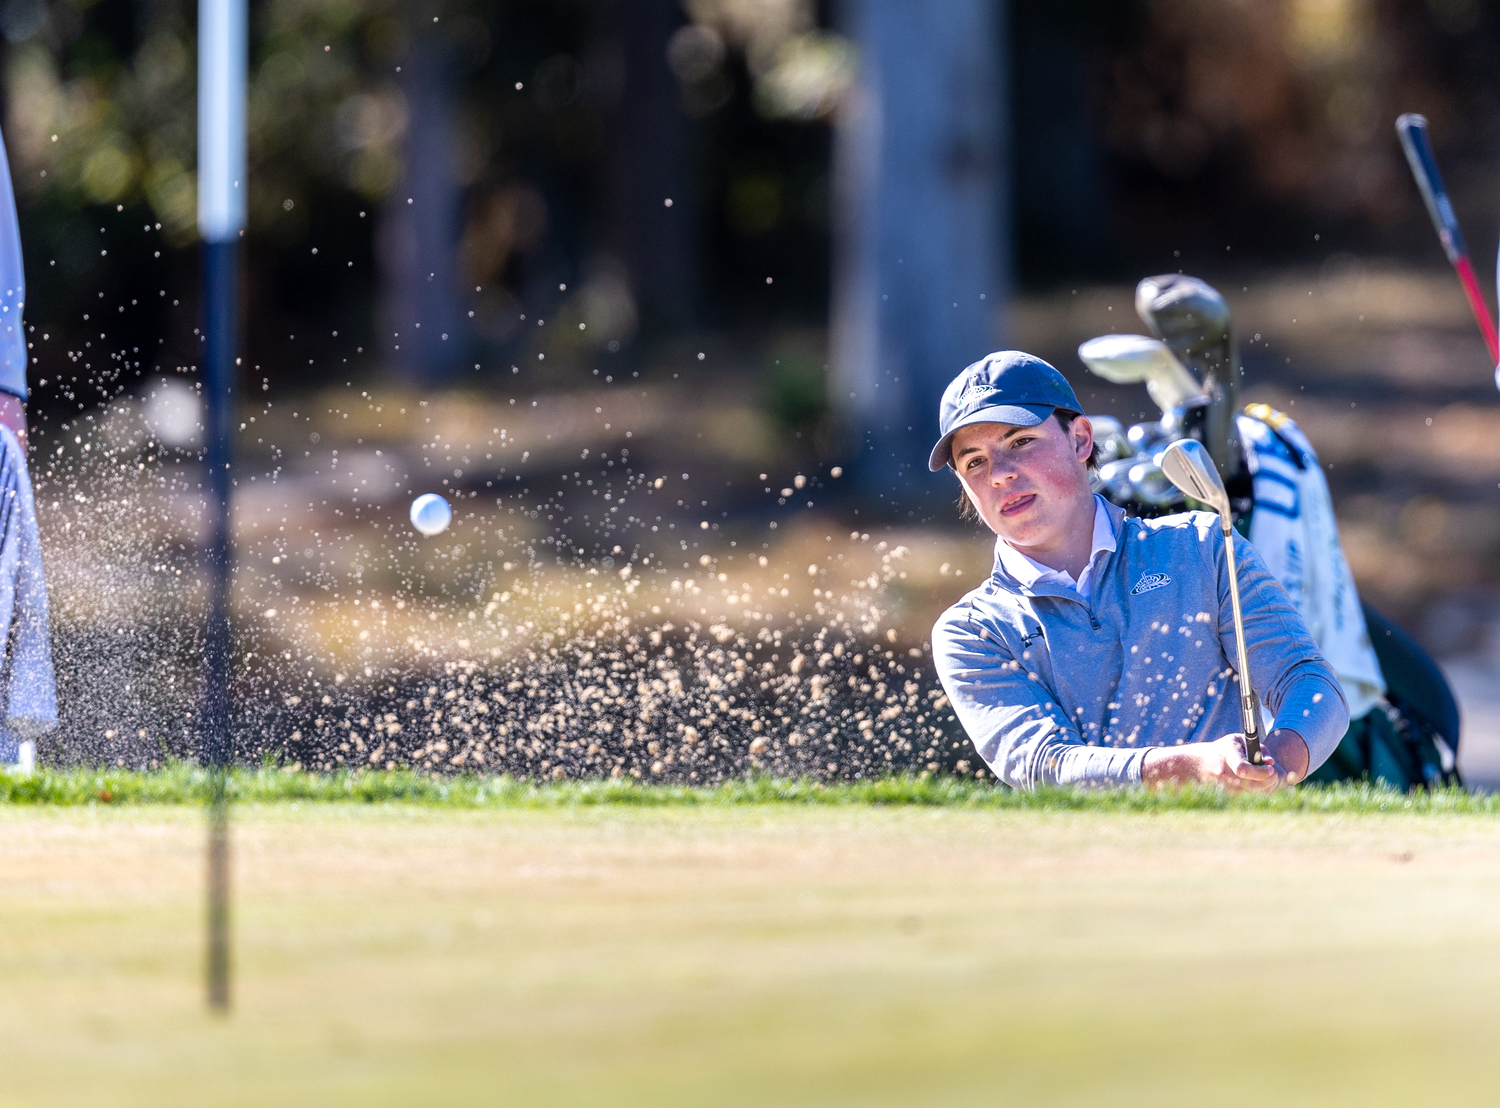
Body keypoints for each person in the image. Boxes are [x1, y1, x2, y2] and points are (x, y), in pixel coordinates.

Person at [929, 351, 1348, 791]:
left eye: (1021, 443)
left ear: (1080, 440)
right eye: (974, 461)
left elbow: (1306, 680)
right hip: (1093, 858)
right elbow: (1044, 765)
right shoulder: (973, 631)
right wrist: (1191, 769)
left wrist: (1278, 763)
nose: (998, 475)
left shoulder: (1201, 547)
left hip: (1236, 848)